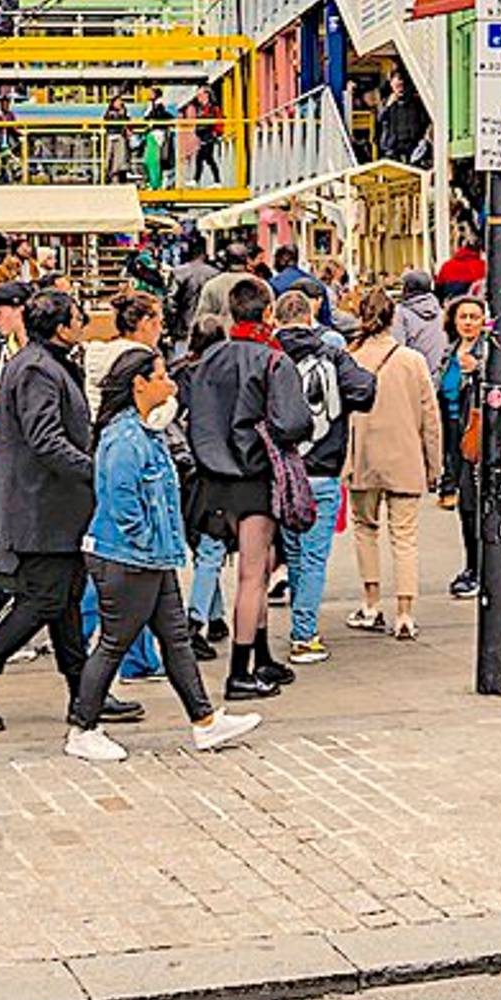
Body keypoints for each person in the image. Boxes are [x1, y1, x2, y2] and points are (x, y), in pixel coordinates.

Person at [64, 346, 261, 761]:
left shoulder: (144, 432)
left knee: (175, 641)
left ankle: (205, 722)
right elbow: (121, 504)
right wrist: (145, 545)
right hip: (128, 559)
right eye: (161, 376)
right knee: (115, 642)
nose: (170, 383)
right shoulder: (124, 439)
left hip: (152, 557)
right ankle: (82, 729)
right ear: (140, 384)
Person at [0, 288, 98, 734]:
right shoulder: (37, 368)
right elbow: (45, 438)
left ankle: (85, 693)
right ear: (59, 326)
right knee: (43, 600)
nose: (83, 322)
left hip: (53, 506)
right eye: (78, 316)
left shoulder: (42, 363)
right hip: (42, 505)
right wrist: (94, 470)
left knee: (65, 598)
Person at [182, 277, 316, 701]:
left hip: (214, 477)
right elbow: (293, 422)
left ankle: (260, 656)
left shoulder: (208, 359)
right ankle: (240, 670)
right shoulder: (273, 361)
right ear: (268, 313)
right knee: (253, 575)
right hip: (255, 475)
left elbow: (194, 415)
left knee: (247, 572)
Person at [269, 286, 375, 665]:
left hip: (282, 470)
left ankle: (302, 623)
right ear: (310, 315)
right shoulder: (330, 352)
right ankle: (304, 634)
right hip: (323, 470)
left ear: (275, 317)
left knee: (294, 553)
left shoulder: (269, 355)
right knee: (313, 557)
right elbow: (365, 389)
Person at [341, 285, 439, 639]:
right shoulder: (413, 361)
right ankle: (405, 612)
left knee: (366, 529)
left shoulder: (350, 358)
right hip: (406, 457)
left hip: (363, 457)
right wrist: (435, 466)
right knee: (405, 537)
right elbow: (431, 418)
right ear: (393, 318)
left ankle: (371, 604)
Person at [437, 292, 492, 602]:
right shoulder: (449, 352)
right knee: (464, 505)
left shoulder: (488, 352)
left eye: (474, 317)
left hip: (478, 434)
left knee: (474, 503)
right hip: (453, 433)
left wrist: (478, 372)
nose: (469, 323)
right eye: (463, 317)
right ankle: (472, 565)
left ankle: (479, 568)